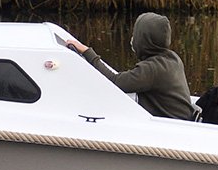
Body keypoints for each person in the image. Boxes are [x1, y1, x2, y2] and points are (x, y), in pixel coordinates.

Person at [65, 11, 198, 120]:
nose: (133, 38)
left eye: (136, 35)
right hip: (184, 120)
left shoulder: (152, 69)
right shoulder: (172, 58)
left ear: (145, 40)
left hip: (175, 127)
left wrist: (87, 52)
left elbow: (115, 83)